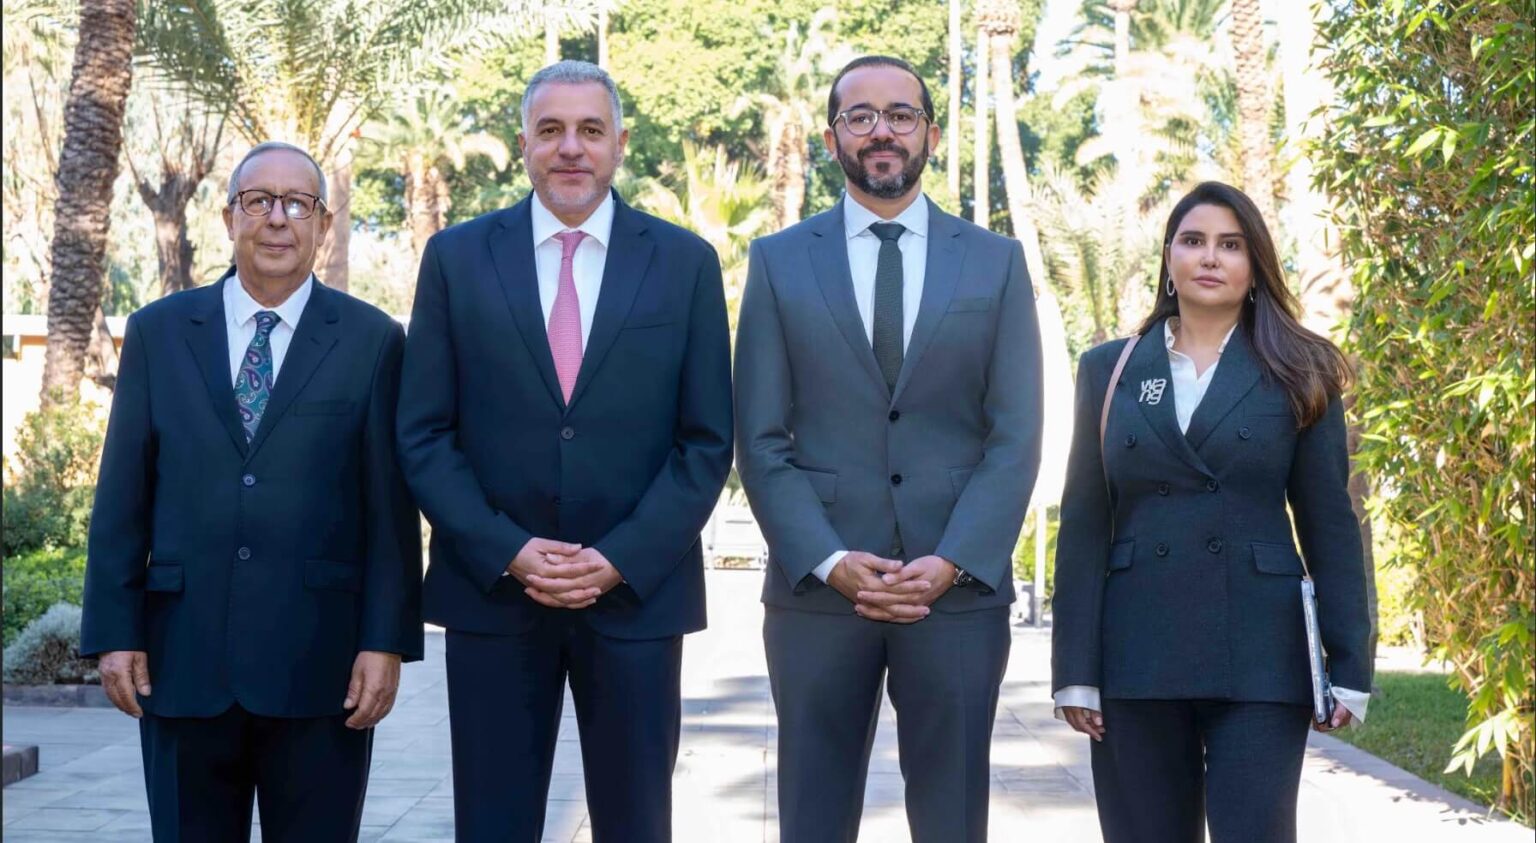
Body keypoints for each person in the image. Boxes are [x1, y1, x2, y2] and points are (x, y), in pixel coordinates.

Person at [395, 60, 733, 842]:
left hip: (637, 598)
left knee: (637, 823)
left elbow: (707, 440)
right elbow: (424, 433)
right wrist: (507, 549)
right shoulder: (456, 258)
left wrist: (619, 557)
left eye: (589, 130)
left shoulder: (685, 263)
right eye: (550, 130)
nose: (570, 148)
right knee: (492, 823)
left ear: (620, 143)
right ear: (524, 144)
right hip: (494, 596)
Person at [734, 55, 1043, 843]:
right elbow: (760, 438)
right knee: (812, 818)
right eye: (860, 116)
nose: (881, 131)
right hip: (818, 593)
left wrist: (955, 558)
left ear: (930, 134)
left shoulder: (996, 261)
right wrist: (829, 558)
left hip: (956, 593)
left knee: (952, 819)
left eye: (901, 115)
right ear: (831, 137)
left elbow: (1015, 435)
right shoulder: (777, 261)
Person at [80, 141, 423, 842]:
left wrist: (385, 641)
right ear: (228, 215)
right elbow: (122, 497)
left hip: (321, 666)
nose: (277, 218)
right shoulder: (157, 332)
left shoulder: (373, 340)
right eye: (258, 200)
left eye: (297, 203)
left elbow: (390, 512)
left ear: (324, 224)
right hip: (182, 661)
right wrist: (114, 631)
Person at [1051, 181, 1372, 843]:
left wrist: (1349, 664)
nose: (1210, 257)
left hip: (1260, 653)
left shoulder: (1300, 368)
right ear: (1168, 257)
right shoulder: (1109, 369)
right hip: (1136, 651)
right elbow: (1085, 523)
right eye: (1193, 240)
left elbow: (1329, 524)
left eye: (1231, 245)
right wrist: (1075, 672)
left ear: (1255, 264)